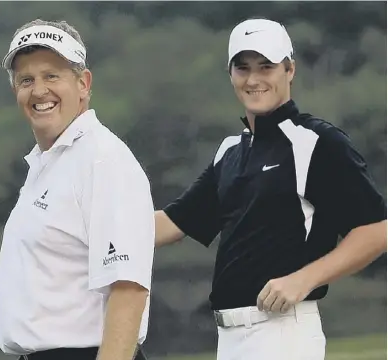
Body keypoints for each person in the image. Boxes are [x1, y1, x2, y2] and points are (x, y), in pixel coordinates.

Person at [155, 17, 387, 360]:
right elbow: (173, 224)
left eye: (266, 67)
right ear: (230, 74)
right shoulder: (232, 150)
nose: (253, 79)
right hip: (230, 337)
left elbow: (376, 230)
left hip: (283, 333)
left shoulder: (317, 142)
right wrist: (81, 232)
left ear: (289, 70)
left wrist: (303, 279)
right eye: (243, 68)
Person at [0, 19, 154, 360]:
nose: (38, 91)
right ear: (16, 92)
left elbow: (128, 289)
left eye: (52, 76)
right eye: (26, 80)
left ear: (83, 83)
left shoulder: (102, 159)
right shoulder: (49, 165)